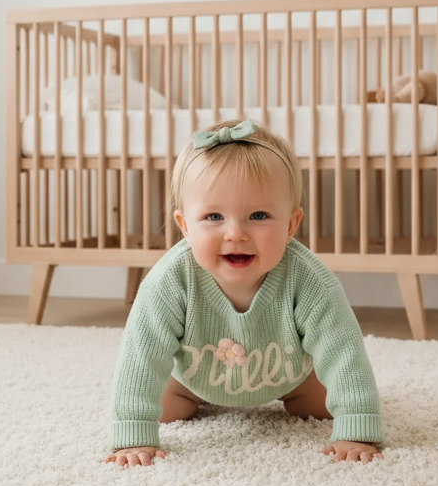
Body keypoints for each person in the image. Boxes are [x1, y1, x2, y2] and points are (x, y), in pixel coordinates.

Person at [105, 118, 384, 467]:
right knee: (165, 409)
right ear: (185, 226)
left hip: (290, 378)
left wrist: (357, 427)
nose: (236, 233)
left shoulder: (310, 281)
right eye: (214, 217)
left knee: (322, 404)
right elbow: (141, 357)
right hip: (192, 381)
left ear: (291, 225)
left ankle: (306, 395)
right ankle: (186, 397)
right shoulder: (168, 282)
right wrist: (132, 434)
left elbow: (343, 352)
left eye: (258, 215)